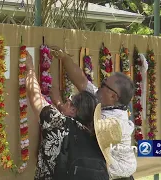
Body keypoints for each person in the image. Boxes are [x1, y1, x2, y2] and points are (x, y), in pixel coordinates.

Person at [25, 51, 121, 180]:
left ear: (73, 110)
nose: (65, 102)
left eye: (68, 101)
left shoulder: (61, 124)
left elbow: (35, 96)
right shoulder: (97, 146)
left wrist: (30, 68)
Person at [50, 46, 136, 180]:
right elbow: (83, 82)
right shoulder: (106, 102)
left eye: (103, 85)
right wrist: (64, 57)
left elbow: (70, 116)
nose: (99, 86)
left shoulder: (110, 121)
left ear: (114, 96)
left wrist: (59, 103)